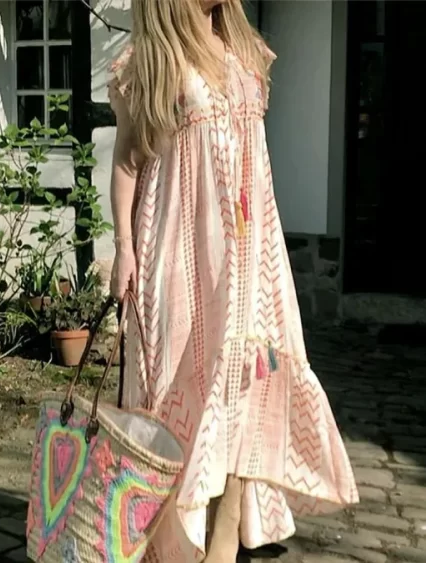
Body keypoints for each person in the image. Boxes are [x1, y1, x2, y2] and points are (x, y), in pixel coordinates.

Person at [108, 0, 359, 561]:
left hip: (250, 257)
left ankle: (221, 543)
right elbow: (127, 161)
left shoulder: (245, 52)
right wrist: (123, 248)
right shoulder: (150, 61)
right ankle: (170, 545)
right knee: (175, 400)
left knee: (248, 390)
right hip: (177, 255)